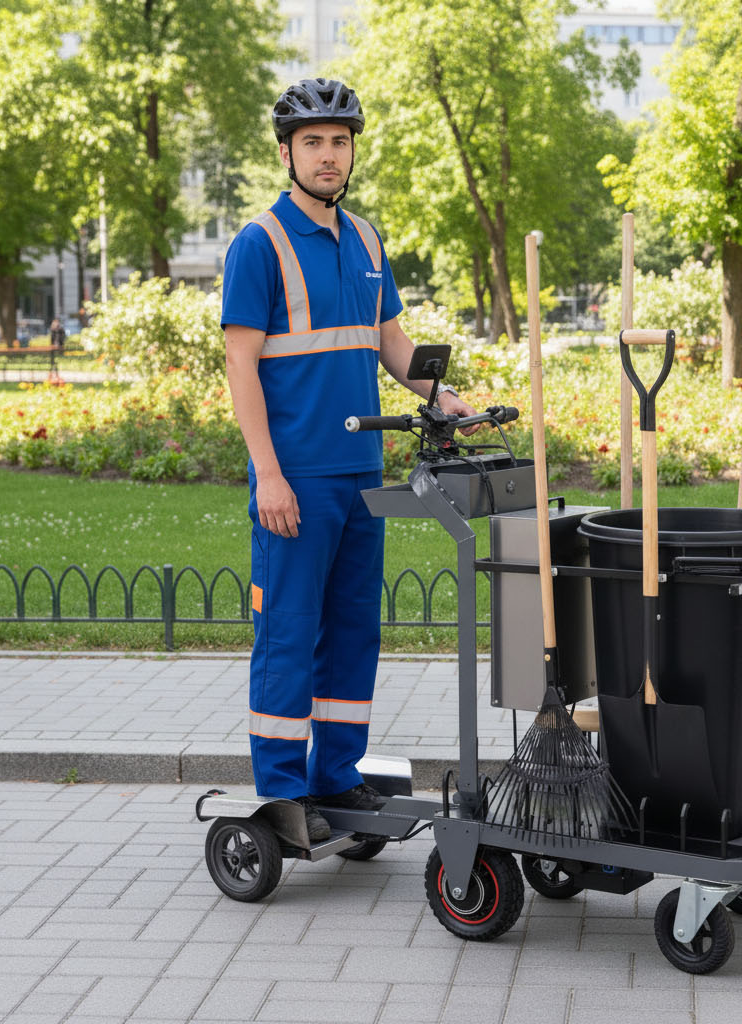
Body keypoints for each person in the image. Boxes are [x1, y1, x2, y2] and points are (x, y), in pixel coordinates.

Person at [220, 77, 478, 842]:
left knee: (353, 630)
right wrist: (268, 474)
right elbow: (241, 367)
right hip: (295, 480)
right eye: (313, 143)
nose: (328, 155)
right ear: (286, 154)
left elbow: (391, 342)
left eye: (339, 141)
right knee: (289, 634)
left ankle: (337, 774)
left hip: (362, 476)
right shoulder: (258, 244)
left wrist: (443, 396)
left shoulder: (366, 239)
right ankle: (282, 789)